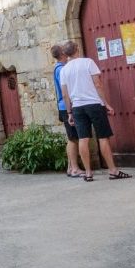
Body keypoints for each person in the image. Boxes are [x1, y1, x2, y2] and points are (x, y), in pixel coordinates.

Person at [59, 40, 131, 182]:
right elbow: (98, 84)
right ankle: (113, 171)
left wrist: (69, 113)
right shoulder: (88, 63)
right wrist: (106, 103)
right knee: (103, 137)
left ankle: (88, 173)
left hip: (77, 107)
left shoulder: (64, 70)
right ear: (77, 49)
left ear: (66, 54)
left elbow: (65, 94)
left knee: (83, 139)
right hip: (94, 104)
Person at [51, 44, 83, 177]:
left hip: (65, 106)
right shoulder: (60, 69)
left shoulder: (60, 68)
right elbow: (65, 90)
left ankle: (71, 167)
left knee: (72, 137)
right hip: (66, 106)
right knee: (73, 138)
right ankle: (74, 168)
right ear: (63, 54)